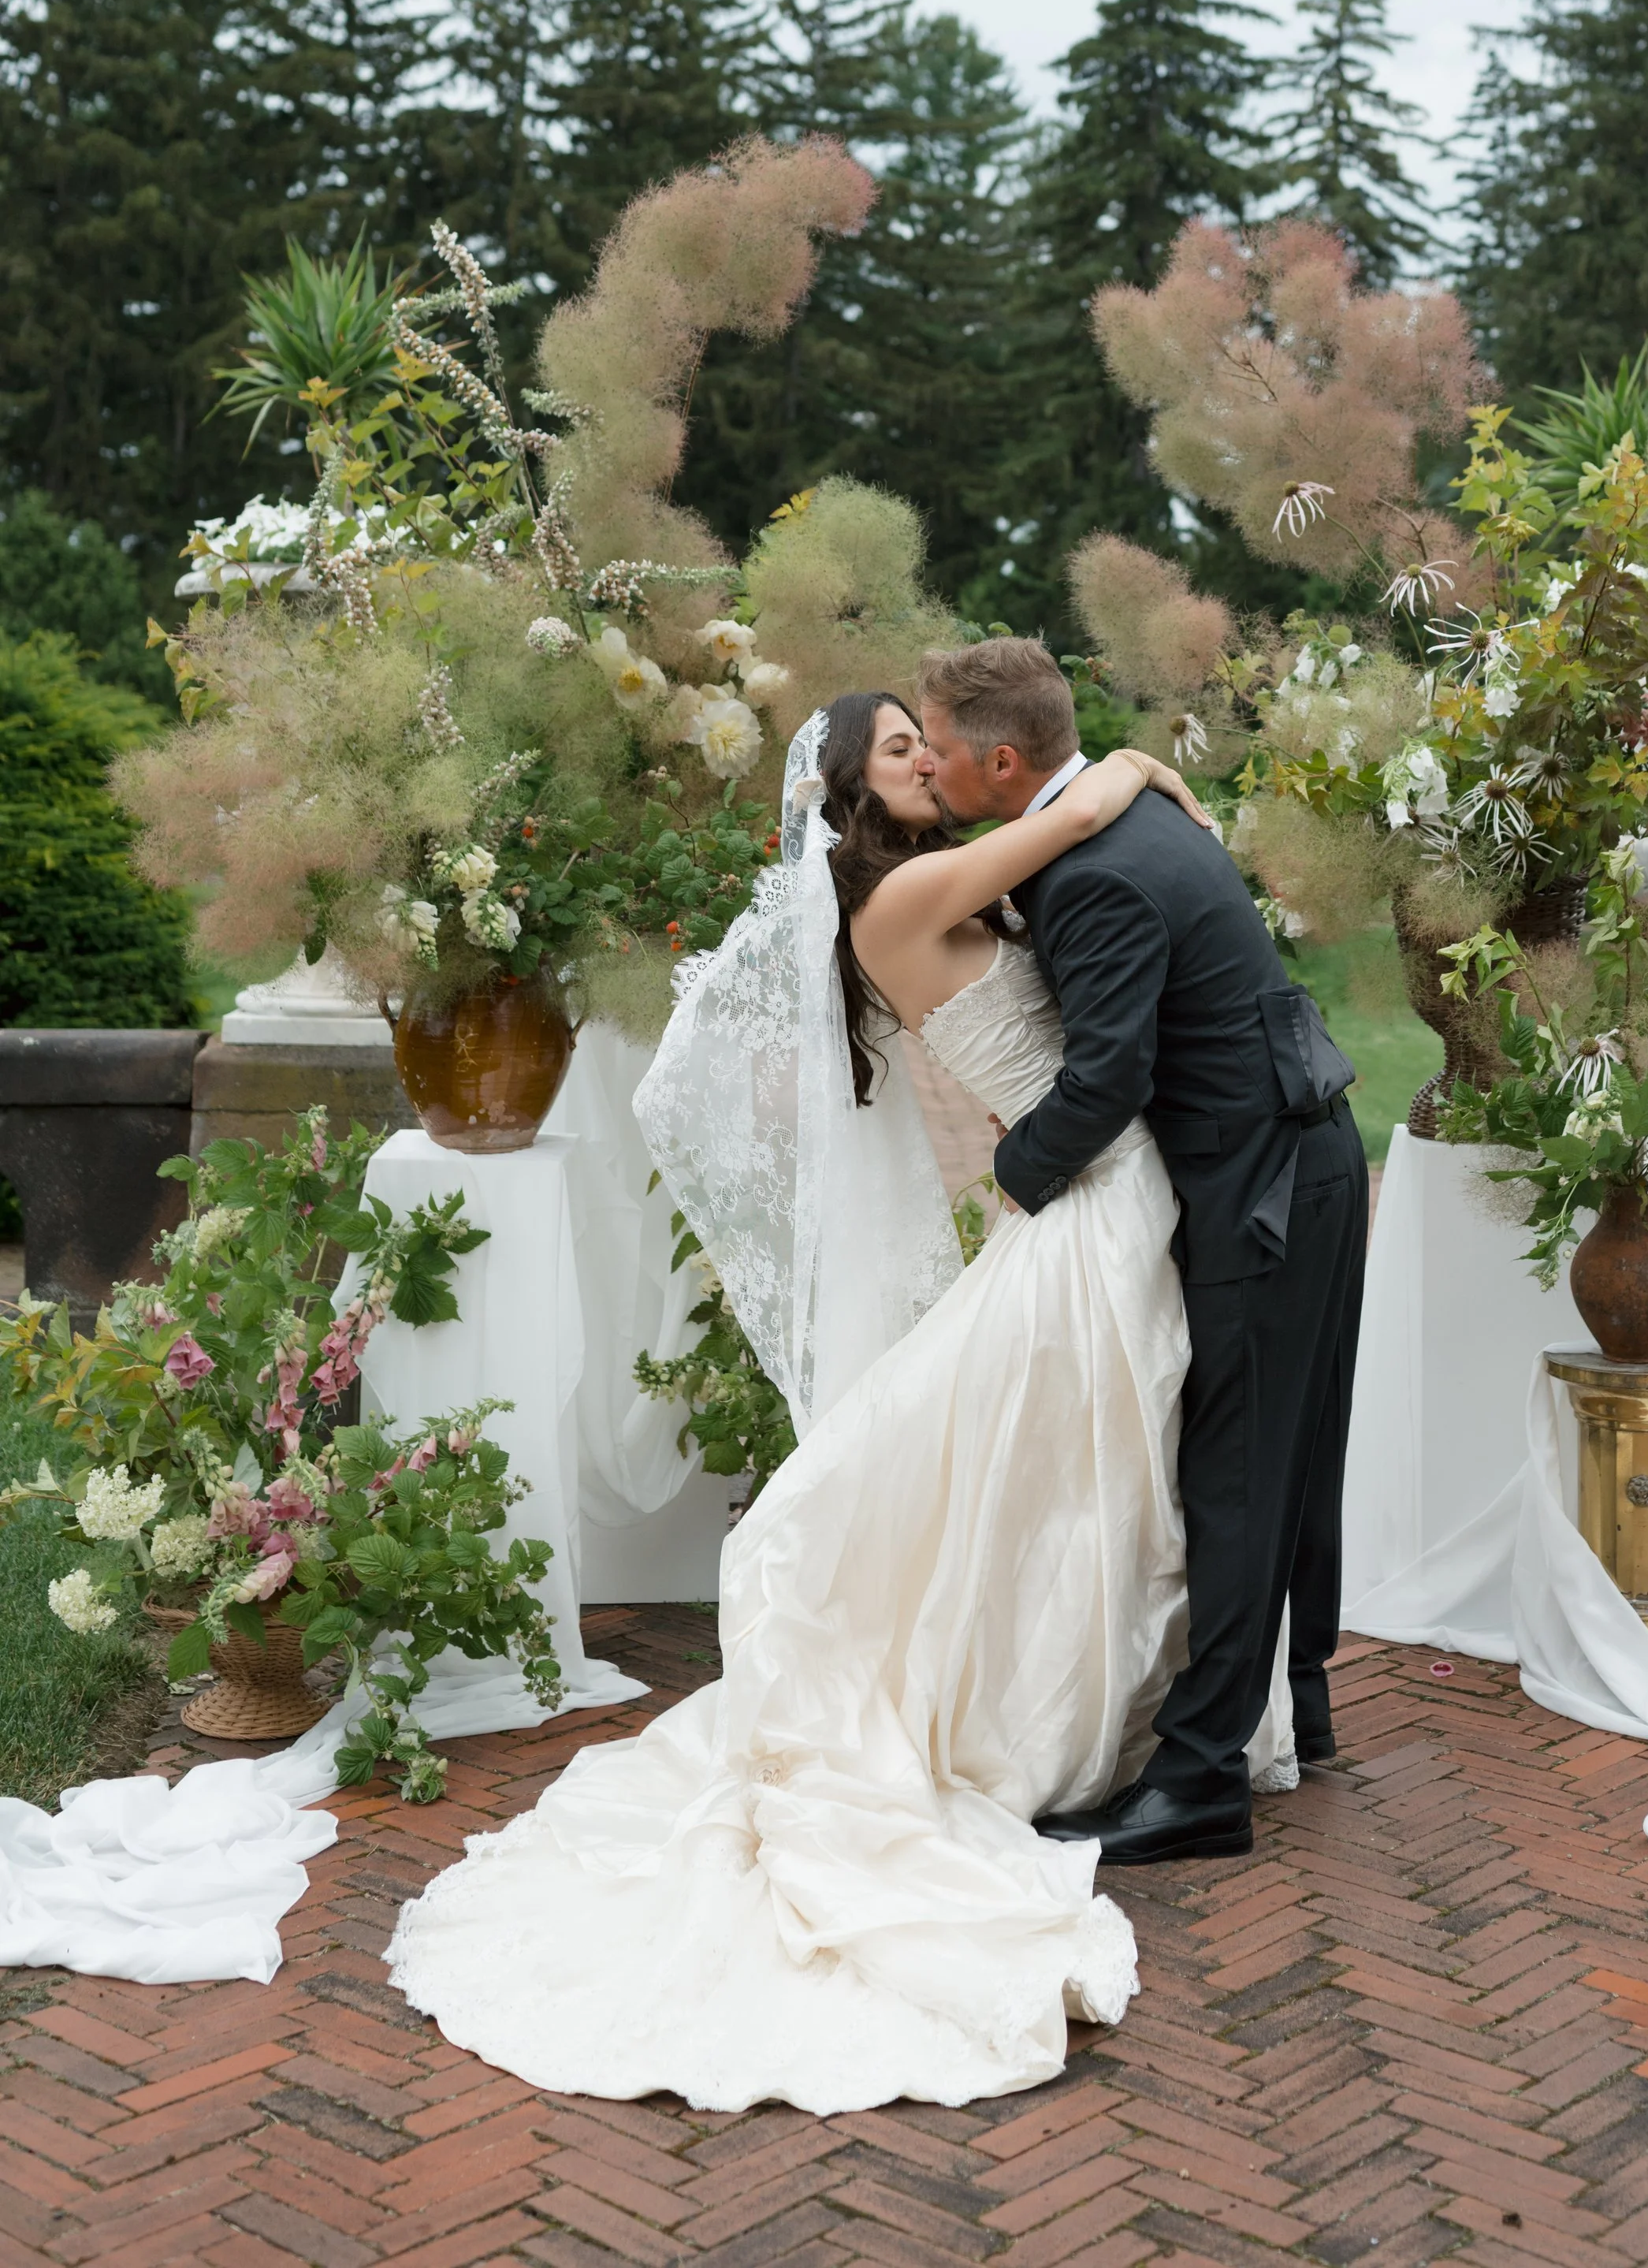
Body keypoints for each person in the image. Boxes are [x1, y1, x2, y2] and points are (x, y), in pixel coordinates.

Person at [384, 687, 1288, 2113]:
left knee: (1084, 1466)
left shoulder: (915, 886)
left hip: (1097, 1199)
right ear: (854, 792)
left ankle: (1155, 1707)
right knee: (1088, 1460)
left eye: (931, 738)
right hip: (1088, 1202)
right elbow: (1083, 807)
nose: (927, 756)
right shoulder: (913, 891)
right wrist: (1131, 759)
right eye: (900, 747)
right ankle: (1081, 1720)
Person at [917, 638, 1370, 1865]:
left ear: (1003, 759)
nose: (937, 766)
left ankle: (1202, 1779)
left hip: (1258, 1184)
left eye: (942, 746)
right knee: (1290, 1455)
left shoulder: (1096, 873)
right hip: (1306, 1161)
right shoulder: (1125, 818)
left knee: (1236, 1475)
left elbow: (1110, 1078)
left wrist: (1011, 1179)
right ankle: (1301, 1702)